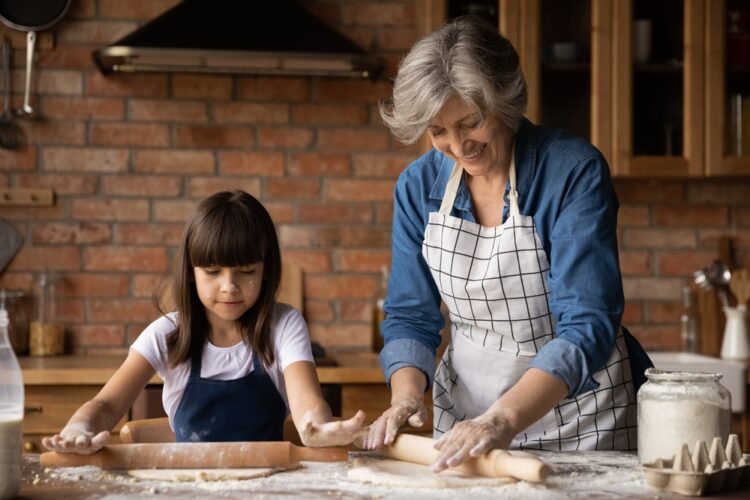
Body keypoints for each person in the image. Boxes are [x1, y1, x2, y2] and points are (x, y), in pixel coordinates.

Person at [361, 15, 652, 471]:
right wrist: (404, 398)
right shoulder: (418, 188)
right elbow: (410, 317)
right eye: (438, 131)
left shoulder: (571, 172)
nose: (458, 146)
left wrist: (503, 419)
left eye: (471, 122)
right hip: (467, 424)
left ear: (506, 101)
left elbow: (588, 323)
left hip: (583, 423)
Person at [43, 190, 366, 454]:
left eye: (246, 271)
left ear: (267, 270)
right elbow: (105, 405)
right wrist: (79, 428)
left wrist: (317, 428)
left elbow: (307, 402)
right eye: (212, 272)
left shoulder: (282, 325)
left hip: (270, 485)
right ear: (191, 272)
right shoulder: (167, 333)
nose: (229, 286)